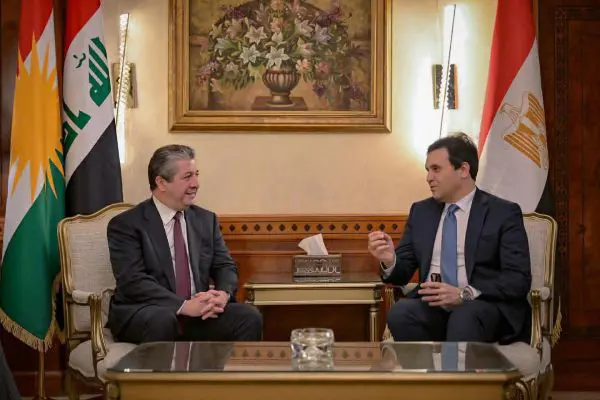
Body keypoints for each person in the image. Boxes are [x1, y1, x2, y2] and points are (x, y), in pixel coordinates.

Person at [368, 133, 531, 344]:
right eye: (428, 170)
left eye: (436, 169)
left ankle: (455, 367)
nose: (429, 177)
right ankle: (430, 367)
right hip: (434, 307)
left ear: (463, 170)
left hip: (481, 305)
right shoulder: (421, 212)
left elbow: (517, 279)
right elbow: (402, 274)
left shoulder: (502, 212)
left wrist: (464, 294)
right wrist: (390, 260)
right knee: (401, 313)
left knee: (465, 317)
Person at [107, 144, 262, 343]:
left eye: (196, 174)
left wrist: (222, 295)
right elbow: (133, 281)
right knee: (162, 320)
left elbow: (225, 266)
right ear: (161, 182)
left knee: (249, 317)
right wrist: (184, 306)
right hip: (147, 312)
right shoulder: (126, 225)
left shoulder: (206, 220)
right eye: (187, 176)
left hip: (198, 314)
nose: (196, 183)